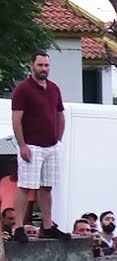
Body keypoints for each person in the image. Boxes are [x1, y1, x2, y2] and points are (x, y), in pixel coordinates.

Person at [9, 52, 71, 241]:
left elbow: (60, 114)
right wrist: (22, 145)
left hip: (51, 146)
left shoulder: (54, 89)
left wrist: (58, 140)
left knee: (47, 187)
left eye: (46, 65)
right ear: (32, 65)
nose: (44, 69)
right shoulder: (23, 90)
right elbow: (16, 119)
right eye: (40, 65)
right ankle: (18, 227)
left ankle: (48, 225)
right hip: (31, 145)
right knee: (25, 186)